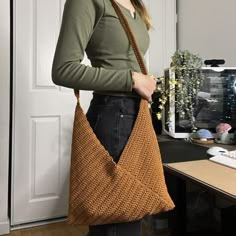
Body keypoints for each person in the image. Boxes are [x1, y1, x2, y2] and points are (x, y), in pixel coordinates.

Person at [51, 0, 156, 235]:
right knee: (118, 219)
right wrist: (131, 79)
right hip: (114, 115)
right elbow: (63, 69)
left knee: (127, 216)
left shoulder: (137, 7)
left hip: (135, 115)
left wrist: (143, 80)